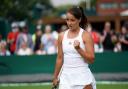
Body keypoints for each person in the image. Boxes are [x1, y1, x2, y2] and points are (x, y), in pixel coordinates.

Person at [53, 6, 96, 89]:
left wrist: (79, 49)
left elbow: (91, 60)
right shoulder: (61, 36)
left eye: (72, 20)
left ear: (79, 20)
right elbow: (59, 58)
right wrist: (55, 77)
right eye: (67, 20)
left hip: (83, 79)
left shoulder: (86, 35)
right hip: (65, 79)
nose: (69, 23)